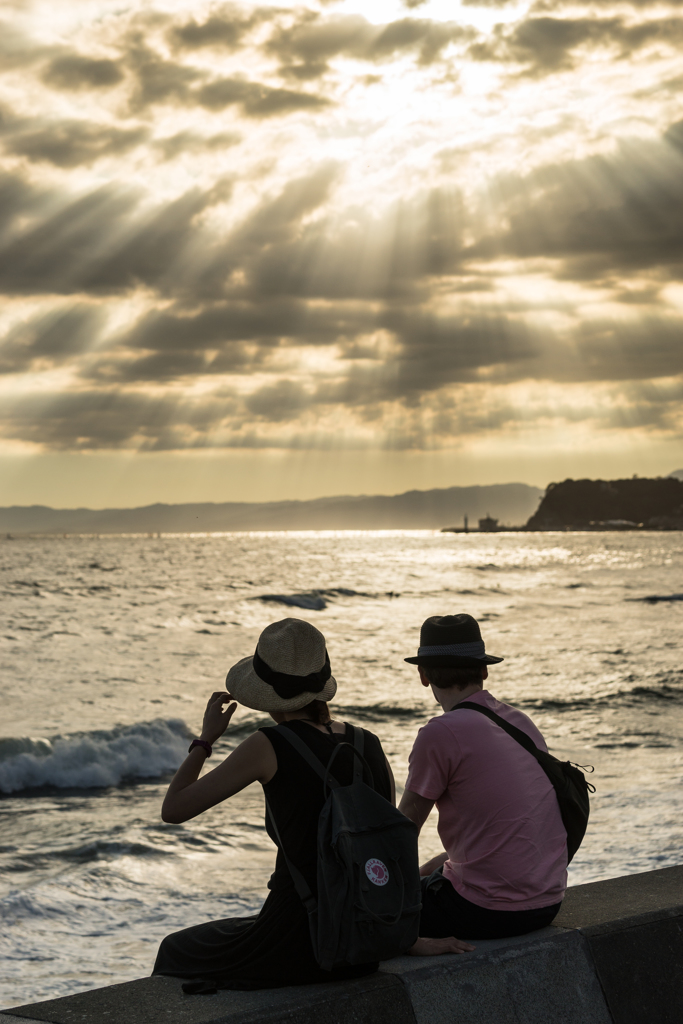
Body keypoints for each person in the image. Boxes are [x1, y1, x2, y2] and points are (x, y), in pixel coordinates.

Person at [152, 617, 398, 990]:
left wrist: (205, 740)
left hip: (301, 937)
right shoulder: (369, 743)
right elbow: (387, 843)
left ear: (266, 691)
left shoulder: (269, 744)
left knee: (176, 949)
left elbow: (174, 809)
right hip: (365, 938)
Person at [399, 613, 567, 952]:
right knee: (434, 868)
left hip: (485, 911)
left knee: (363, 911)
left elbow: (401, 831)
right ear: (484, 669)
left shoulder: (440, 733)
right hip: (547, 903)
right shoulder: (520, 723)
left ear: (423, 675)